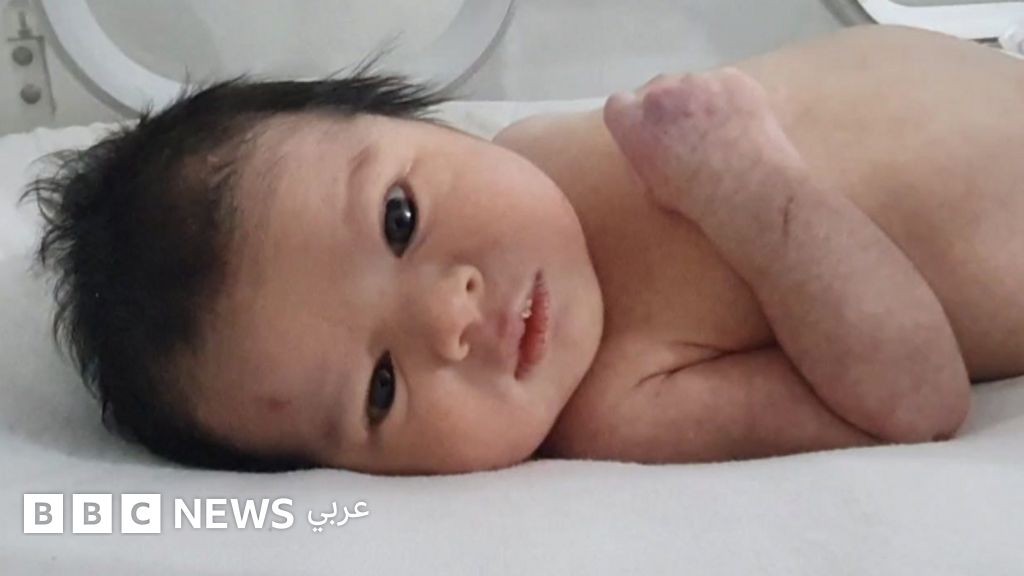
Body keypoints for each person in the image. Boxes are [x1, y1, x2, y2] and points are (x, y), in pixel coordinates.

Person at [23, 25, 1024, 475]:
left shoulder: (542, 145)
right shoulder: (617, 405)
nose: (449, 319)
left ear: (425, 123)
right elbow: (912, 403)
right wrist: (753, 193)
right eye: (380, 390)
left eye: (399, 220)